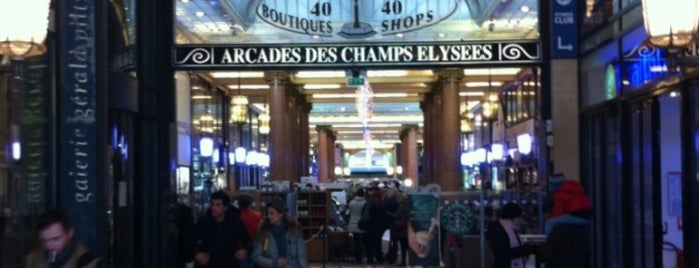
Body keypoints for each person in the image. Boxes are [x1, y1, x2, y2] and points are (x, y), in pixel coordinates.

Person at [541, 174, 592, 268]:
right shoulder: (573, 187)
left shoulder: (559, 193)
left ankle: (549, 240)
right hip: (587, 216)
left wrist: (550, 218)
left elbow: (558, 211)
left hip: (576, 216)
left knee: (549, 223)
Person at [25, 209, 104, 268]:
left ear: (70, 233)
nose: (50, 246)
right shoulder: (31, 260)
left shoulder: (89, 263)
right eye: (44, 240)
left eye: (56, 239)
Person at [194, 191, 252, 268]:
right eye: (212, 204)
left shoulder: (234, 222)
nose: (214, 208)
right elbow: (191, 241)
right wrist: (197, 254)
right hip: (208, 264)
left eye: (218, 205)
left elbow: (247, 240)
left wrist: (245, 251)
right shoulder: (203, 222)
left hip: (230, 263)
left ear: (225, 207)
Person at [252, 198, 308, 268]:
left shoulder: (294, 230)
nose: (268, 216)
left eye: (272, 213)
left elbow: (301, 256)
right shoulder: (264, 232)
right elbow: (257, 256)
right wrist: (274, 262)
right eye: (267, 213)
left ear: (281, 214)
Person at [485, 203, 537, 268]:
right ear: (511, 217)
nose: (520, 221)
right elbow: (503, 253)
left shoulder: (508, 229)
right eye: (518, 217)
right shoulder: (497, 230)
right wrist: (525, 249)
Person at [237, 194, 262, 268]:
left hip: (240, 248)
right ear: (250, 203)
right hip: (254, 246)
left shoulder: (236, 217)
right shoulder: (258, 216)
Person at [345, 187, 368, 263]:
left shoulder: (351, 202)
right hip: (362, 224)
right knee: (363, 242)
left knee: (356, 242)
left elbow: (348, 213)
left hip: (352, 224)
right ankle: (362, 256)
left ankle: (357, 257)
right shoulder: (365, 203)